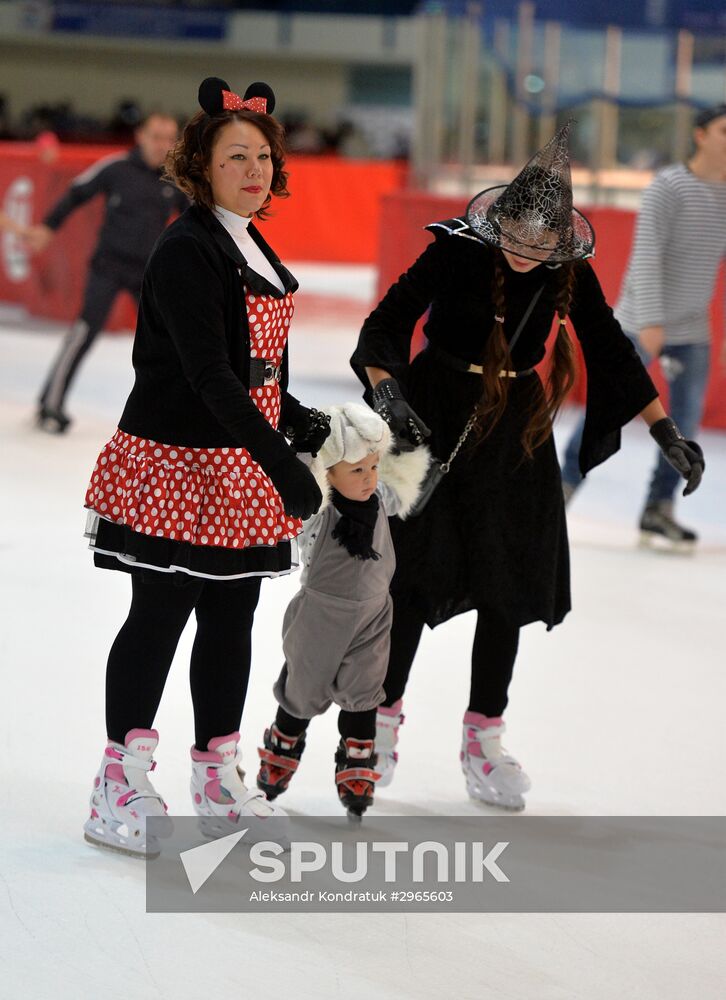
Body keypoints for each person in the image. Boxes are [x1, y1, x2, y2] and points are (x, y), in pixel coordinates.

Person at [350, 122, 704, 810]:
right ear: (500, 216)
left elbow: (612, 354)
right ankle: (380, 724)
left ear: (560, 241)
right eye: (517, 232)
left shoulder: (568, 271)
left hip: (514, 428)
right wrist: (389, 395)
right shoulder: (455, 252)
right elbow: (385, 325)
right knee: (414, 582)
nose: (526, 248)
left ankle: (483, 737)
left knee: (509, 584)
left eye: (542, 241)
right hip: (433, 411)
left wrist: (667, 433)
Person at [82, 77, 328, 858]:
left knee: (231, 615)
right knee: (161, 610)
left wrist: (305, 422)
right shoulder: (189, 248)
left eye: (263, 156)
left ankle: (217, 773)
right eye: (236, 157)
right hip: (177, 462)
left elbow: (263, 374)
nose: (254, 170)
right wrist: (284, 465)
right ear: (202, 165)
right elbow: (209, 375)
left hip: (236, 462)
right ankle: (117, 779)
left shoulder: (255, 244)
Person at [561, 104, 726, 548]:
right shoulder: (667, 188)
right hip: (641, 321)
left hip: (692, 329)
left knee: (684, 424)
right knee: (606, 412)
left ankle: (659, 508)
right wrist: (651, 320)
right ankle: (560, 494)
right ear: (700, 135)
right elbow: (647, 256)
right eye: (725, 131)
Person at [255, 404, 428, 819]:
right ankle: (285, 740)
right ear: (327, 474)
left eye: (373, 467)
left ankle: (357, 755)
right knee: (304, 686)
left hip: (373, 616)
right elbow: (293, 495)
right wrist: (302, 462)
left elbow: (405, 483)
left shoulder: (380, 499)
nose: (370, 478)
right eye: (357, 471)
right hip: (320, 617)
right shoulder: (317, 512)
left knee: (365, 689)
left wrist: (407, 449)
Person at [26, 111, 188, 433]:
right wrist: (47, 228)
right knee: (83, 333)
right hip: (108, 266)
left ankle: (174, 416)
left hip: (146, 274)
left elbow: (195, 222)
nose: (162, 145)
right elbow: (76, 193)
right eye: (156, 136)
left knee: (172, 340)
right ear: (140, 136)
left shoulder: (174, 180)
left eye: (170, 139)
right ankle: (51, 402)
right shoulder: (116, 168)